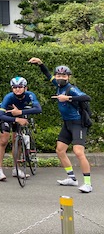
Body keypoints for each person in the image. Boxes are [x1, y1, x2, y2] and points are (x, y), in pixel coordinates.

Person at [29, 58, 93, 193]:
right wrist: (41, 64)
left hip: (78, 124)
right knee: (59, 150)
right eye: (58, 75)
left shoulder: (72, 89)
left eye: (63, 75)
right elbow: (48, 75)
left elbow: (87, 97)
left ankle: (88, 183)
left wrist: (68, 98)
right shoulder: (58, 86)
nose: (60, 77)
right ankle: (72, 179)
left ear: (68, 77)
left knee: (78, 152)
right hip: (67, 124)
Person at [0, 76, 42, 182]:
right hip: (8, 116)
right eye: (15, 87)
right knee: (3, 140)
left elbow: (38, 109)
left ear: (25, 88)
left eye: (20, 87)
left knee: (18, 141)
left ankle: (15, 169)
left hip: (19, 114)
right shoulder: (9, 97)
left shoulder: (30, 95)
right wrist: (16, 118)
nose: (17, 89)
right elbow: (1, 115)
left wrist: (20, 113)